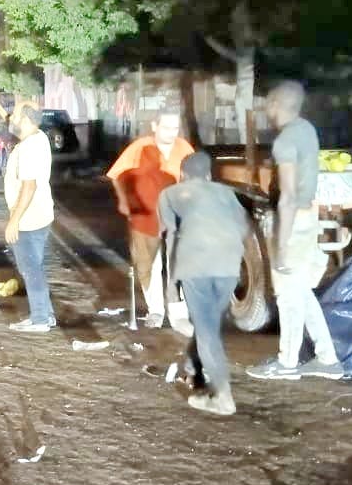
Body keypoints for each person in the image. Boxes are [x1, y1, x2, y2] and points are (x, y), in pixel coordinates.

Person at [247, 81, 345, 381]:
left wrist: (281, 245)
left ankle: (287, 363)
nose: (266, 108)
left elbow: (287, 196)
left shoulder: (285, 141)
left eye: (268, 102)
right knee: (301, 291)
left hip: (292, 220)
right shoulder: (306, 130)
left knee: (288, 295)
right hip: (307, 215)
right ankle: (327, 359)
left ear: (276, 104)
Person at [158, 152, 249, 415]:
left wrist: (171, 284)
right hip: (228, 264)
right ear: (209, 175)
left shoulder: (170, 195)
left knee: (207, 330)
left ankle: (223, 397)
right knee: (208, 322)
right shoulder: (226, 193)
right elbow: (244, 227)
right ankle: (191, 367)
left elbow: (171, 237)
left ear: (182, 174)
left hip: (195, 264)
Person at [107, 109, 195, 327]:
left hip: (177, 216)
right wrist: (124, 201)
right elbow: (116, 175)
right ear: (155, 126)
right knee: (148, 264)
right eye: (166, 127)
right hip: (146, 215)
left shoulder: (184, 149)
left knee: (178, 263)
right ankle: (155, 310)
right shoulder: (139, 148)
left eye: (175, 128)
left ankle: (178, 312)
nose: (171, 133)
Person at [4, 102, 56, 333]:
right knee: (36, 267)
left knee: (31, 270)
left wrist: (14, 220)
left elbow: (29, 187)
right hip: (39, 215)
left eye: (15, 115)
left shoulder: (29, 148)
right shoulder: (38, 138)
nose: (11, 119)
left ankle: (40, 320)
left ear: (26, 120)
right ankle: (45, 315)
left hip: (29, 219)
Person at [116, 145, 177, 326]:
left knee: (152, 268)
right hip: (149, 226)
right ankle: (163, 311)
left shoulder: (165, 178)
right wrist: (124, 202)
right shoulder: (164, 177)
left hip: (154, 226)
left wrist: (124, 202)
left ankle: (161, 311)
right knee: (159, 267)